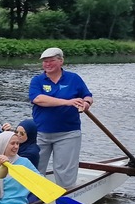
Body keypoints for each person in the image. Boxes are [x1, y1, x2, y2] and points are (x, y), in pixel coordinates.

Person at [29, 47, 93, 188]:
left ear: (61, 61)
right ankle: (34, 198)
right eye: (45, 61)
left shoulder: (74, 78)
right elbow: (39, 99)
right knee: (35, 168)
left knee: (64, 171)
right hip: (40, 133)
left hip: (68, 133)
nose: (48, 64)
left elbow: (87, 95)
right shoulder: (37, 81)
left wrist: (86, 103)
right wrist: (68, 102)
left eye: (51, 61)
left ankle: (67, 195)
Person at [0, 131, 39, 204]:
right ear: (3, 144)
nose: (16, 147)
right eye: (12, 143)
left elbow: (39, 180)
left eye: (17, 144)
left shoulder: (24, 163)